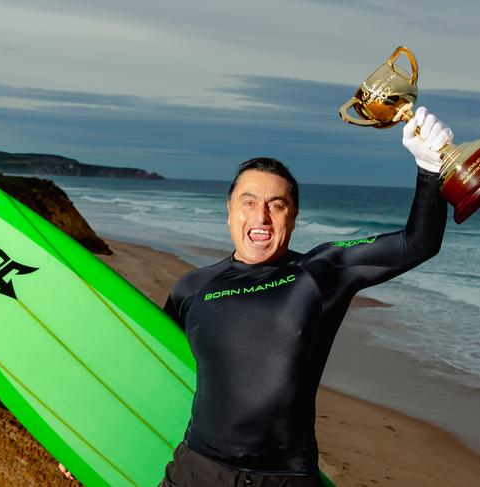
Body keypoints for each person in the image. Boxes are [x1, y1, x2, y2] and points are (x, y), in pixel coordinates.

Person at [157, 106, 452, 487]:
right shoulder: (191, 288)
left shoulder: (322, 270)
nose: (261, 217)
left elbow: (417, 243)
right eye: (248, 202)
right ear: (229, 211)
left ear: (293, 218)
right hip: (196, 470)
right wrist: (86, 439)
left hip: (285, 478)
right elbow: (153, 370)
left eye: (276, 206)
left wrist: (430, 170)